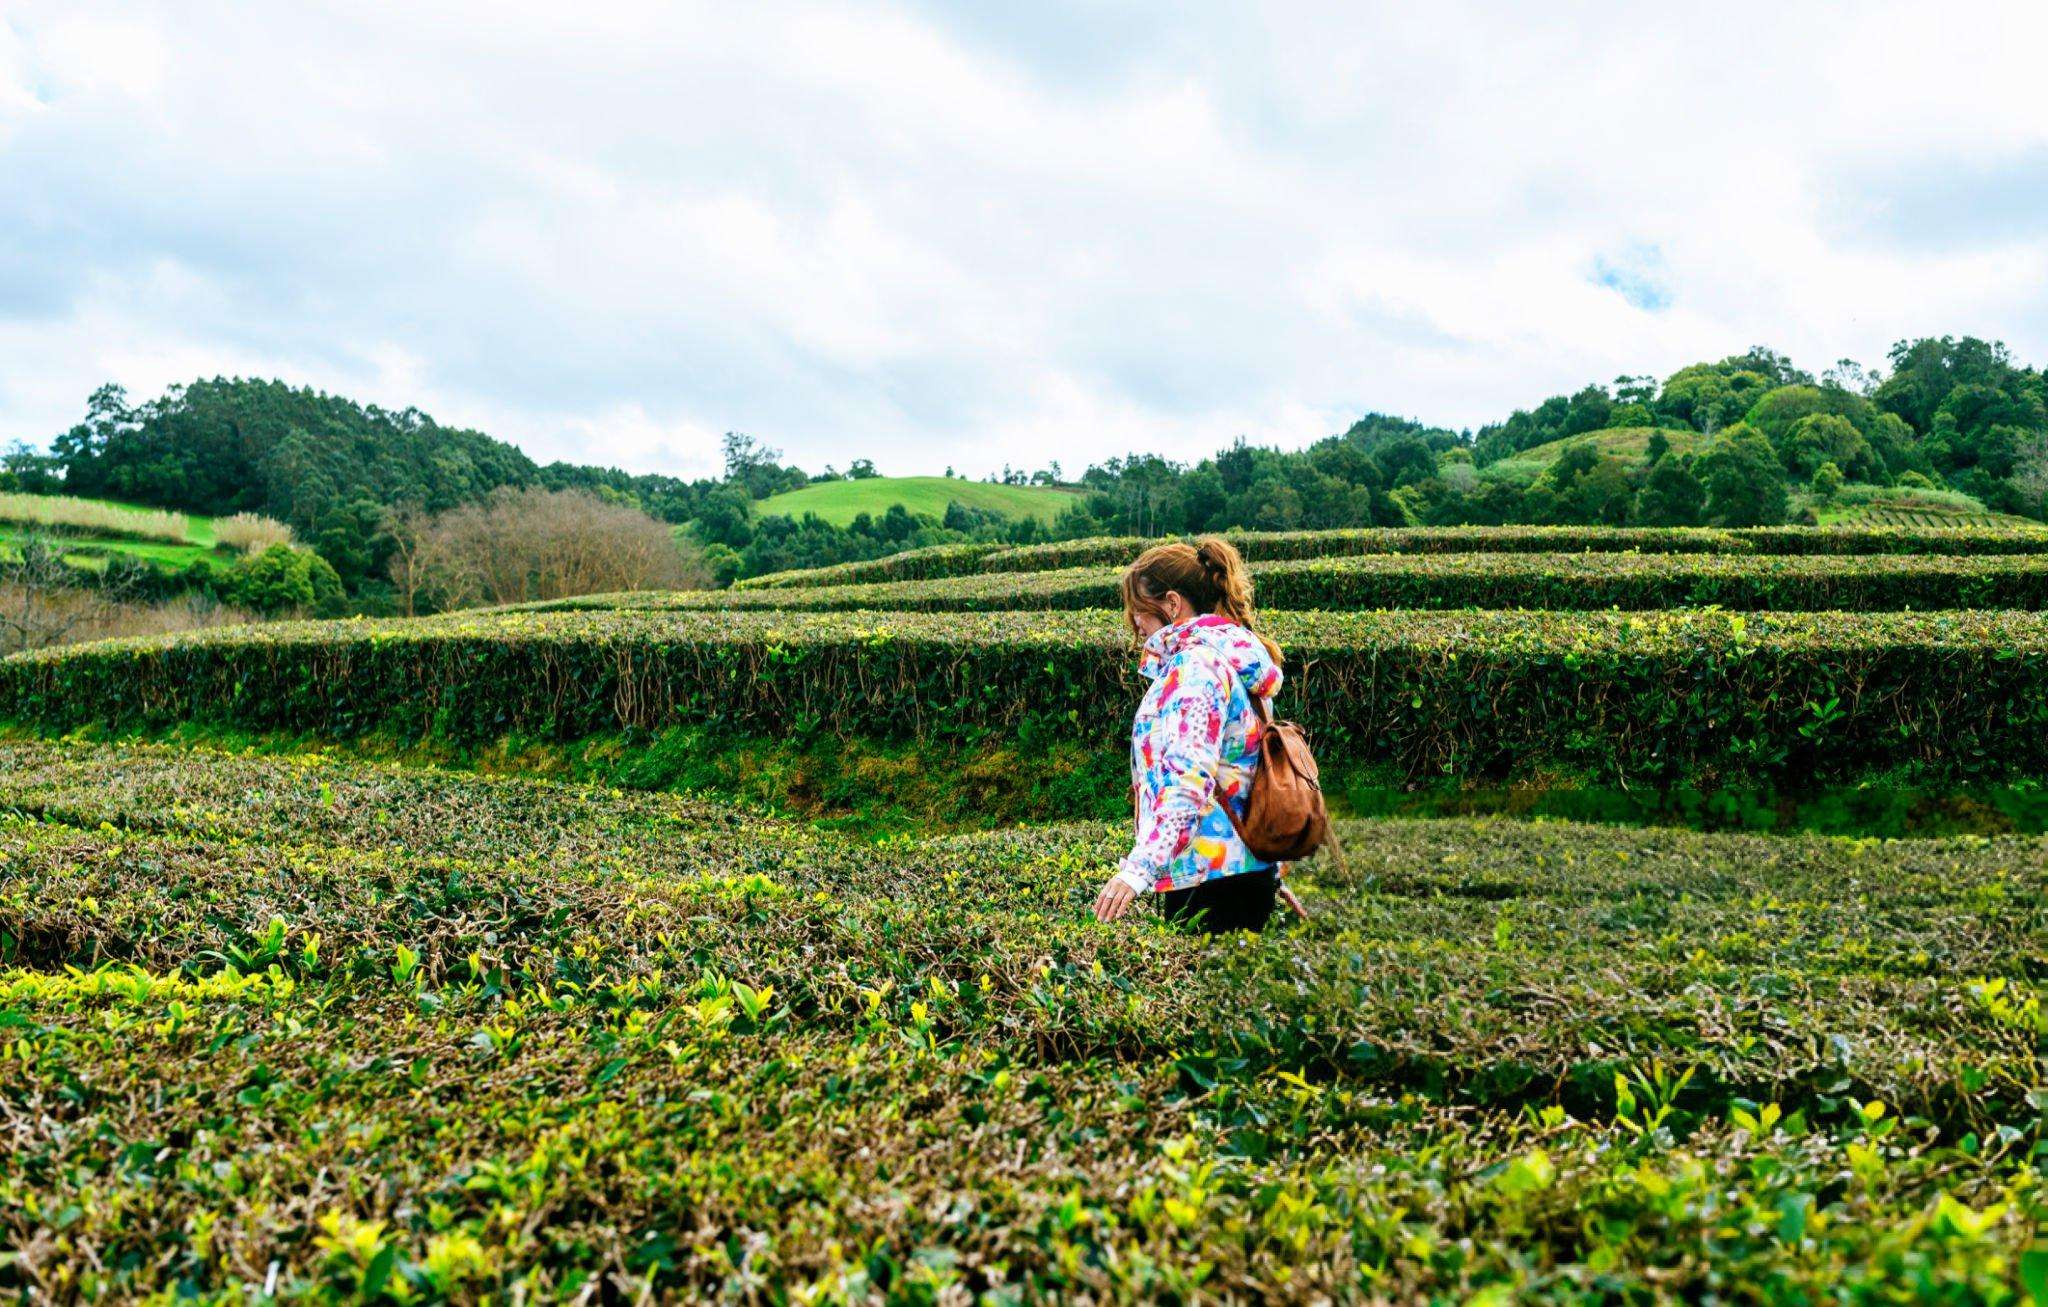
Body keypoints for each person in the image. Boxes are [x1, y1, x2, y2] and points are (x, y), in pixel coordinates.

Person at [1093, 536, 1285, 933]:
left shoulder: (1196, 670)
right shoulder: (1231, 657)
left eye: (1138, 611)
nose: (1135, 624)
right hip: (1240, 870)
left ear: (1172, 604)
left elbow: (1187, 778)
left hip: (1210, 880)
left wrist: (1138, 870)